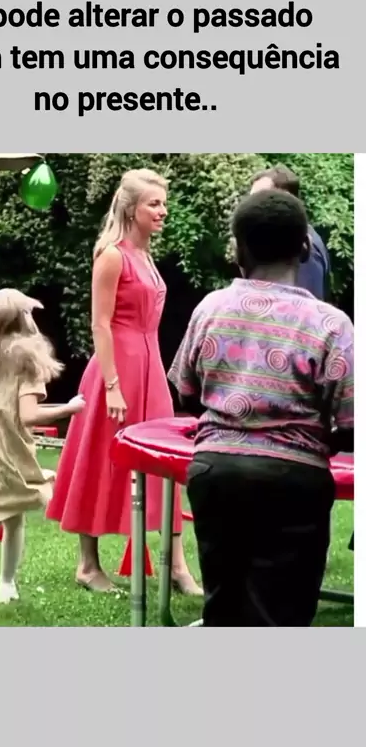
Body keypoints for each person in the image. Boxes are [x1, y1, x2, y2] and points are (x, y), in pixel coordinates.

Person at [168, 190, 354, 627]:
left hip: (217, 474)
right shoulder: (330, 324)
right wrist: (320, 440)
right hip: (293, 481)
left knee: (224, 607)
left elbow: (185, 392)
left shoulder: (210, 308)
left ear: (238, 250)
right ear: (305, 248)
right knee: (282, 613)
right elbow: (350, 422)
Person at [47, 168, 202, 595]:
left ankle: (176, 566)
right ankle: (87, 565)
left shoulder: (145, 256)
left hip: (150, 368)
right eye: (154, 203)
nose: (163, 211)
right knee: (101, 457)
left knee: (166, 463)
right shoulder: (112, 255)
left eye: (163, 203)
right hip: (116, 369)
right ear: (132, 208)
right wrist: (112, 385)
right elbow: (100, 324)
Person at [0, 288, 86, 607]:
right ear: (24, 318)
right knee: (14, 519)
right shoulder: (27, 360)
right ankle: (6, 585)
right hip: (8, 453)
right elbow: (28, 416)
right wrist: (69, 408)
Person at [250, 165, 330, 300]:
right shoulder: (285, 241)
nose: (251, 206)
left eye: (261, 199)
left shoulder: (303, 247)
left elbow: (306, 305)